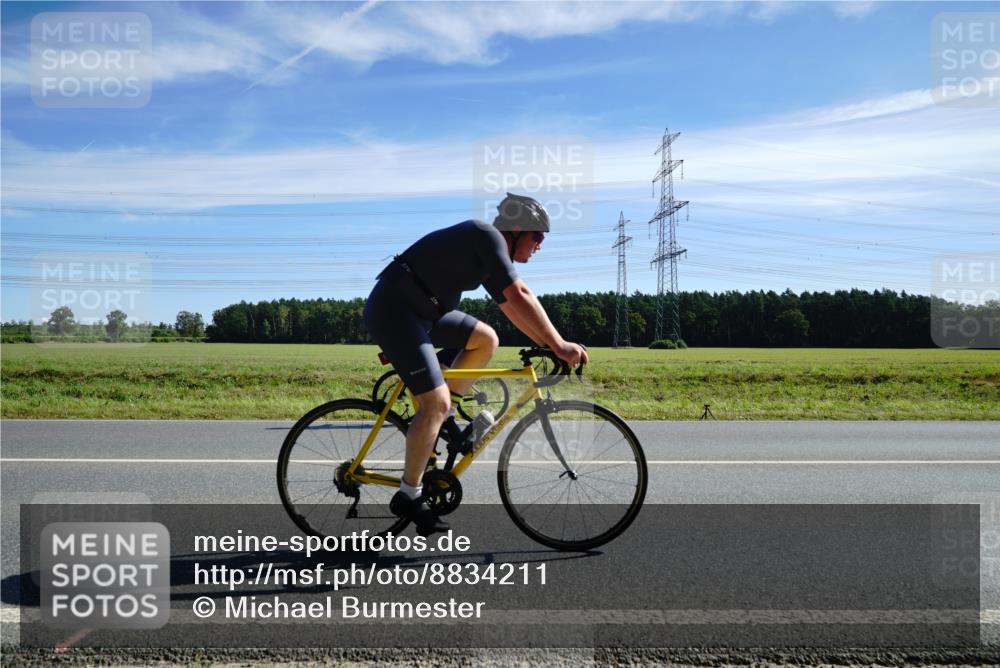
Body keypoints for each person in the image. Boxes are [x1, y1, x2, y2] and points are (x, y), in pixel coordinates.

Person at [363, 192, 589, 536]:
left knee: (486, 339)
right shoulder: (486, 236)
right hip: (395, 311)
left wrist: (547, 345)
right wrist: (559, 345)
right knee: (433, 404)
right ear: (515, 228)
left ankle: (446, 418)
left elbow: (511, 307)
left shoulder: (487, 251)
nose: (539, 245)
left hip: (424, 314)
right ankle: (409, 494)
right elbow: (520, 295)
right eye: (537, 236)